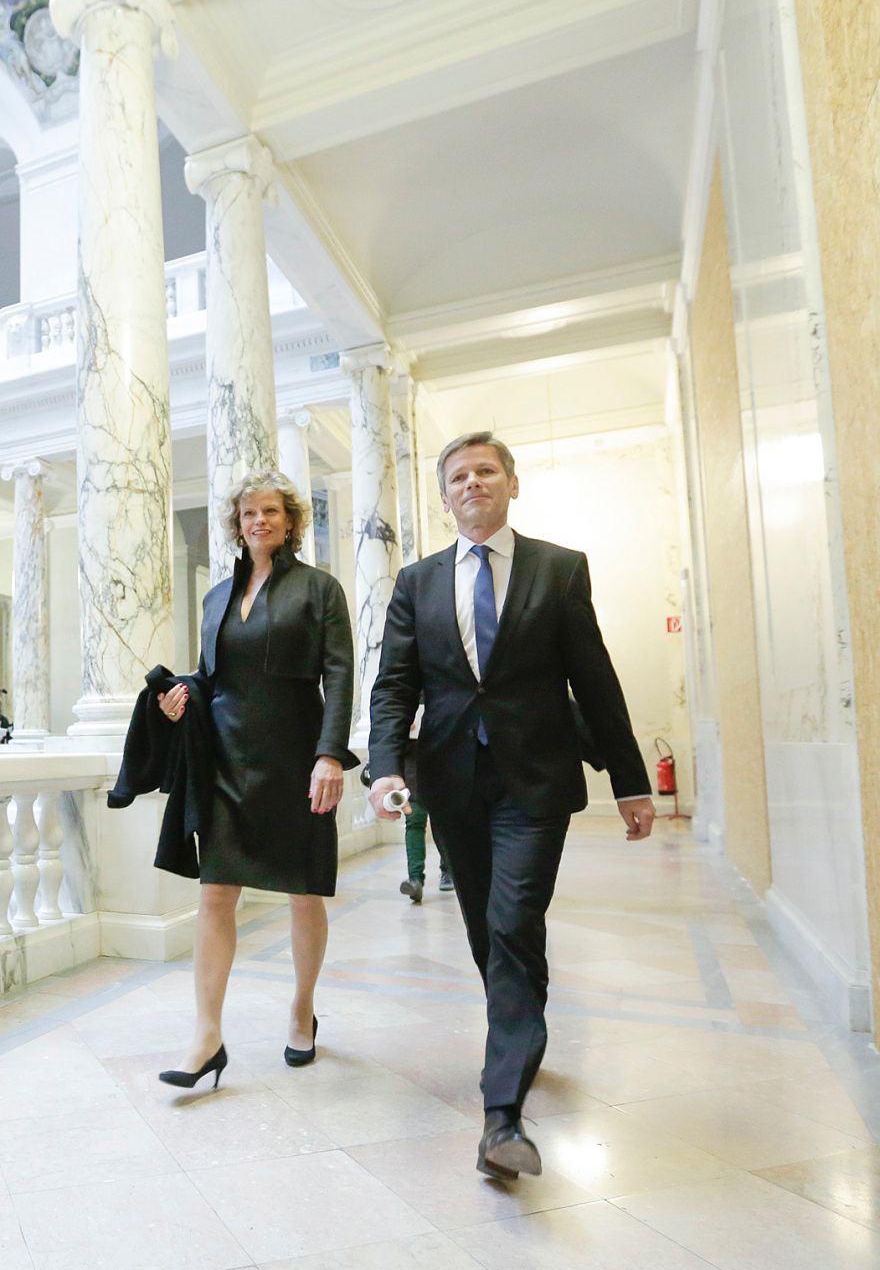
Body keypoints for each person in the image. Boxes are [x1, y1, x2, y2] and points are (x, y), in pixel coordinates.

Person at [368, 432, 653, 1178]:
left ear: (512, 483)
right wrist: (384, 766)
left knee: (513, 919)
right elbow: (395, 684)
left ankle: (502, 1117)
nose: (473, 483)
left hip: (536, 780)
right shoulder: (417, 582)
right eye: (458, 476)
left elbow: (594, 679)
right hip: (453, 782)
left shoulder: (559, 569)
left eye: (486, 471)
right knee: (488, 931)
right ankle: (521, 1028)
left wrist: (630, 780)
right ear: (445, 497)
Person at [156, 472, 355, 1088]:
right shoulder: (217, 596)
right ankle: (206, 1037)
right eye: (248, 514)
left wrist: (329, 755)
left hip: (296, 758)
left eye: (270, 511)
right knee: (215, 894)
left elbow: (340, 675)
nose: (258, 521)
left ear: (289, 521)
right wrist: (180, 694)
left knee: (303, 891)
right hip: (225, 761)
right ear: (237, 525)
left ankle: (302, 1009)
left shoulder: (320, 589)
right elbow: (211, 675)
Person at [399, 793, 451, 904]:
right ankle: (415, 880)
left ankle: (448, 869)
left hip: (445, 785)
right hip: (415, 785)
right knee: (414, 820)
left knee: (444, 822)